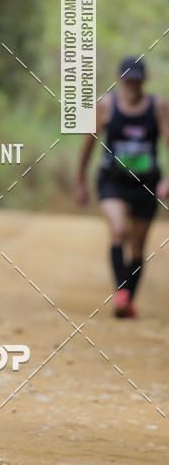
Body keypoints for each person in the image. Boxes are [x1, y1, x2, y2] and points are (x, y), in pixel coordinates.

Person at [76, 56, 169, 318]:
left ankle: (128, 300)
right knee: (118, 231)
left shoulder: (157, 106)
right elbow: (89, 143)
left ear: (144, 82)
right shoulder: (106, 105)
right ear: (120, 80)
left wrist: (167, 180)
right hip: (112, 180)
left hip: (146, 182)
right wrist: (80, 179)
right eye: (128, 81)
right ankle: (122, 294)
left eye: (137, 82)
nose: (132, 86)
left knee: (138, 247)